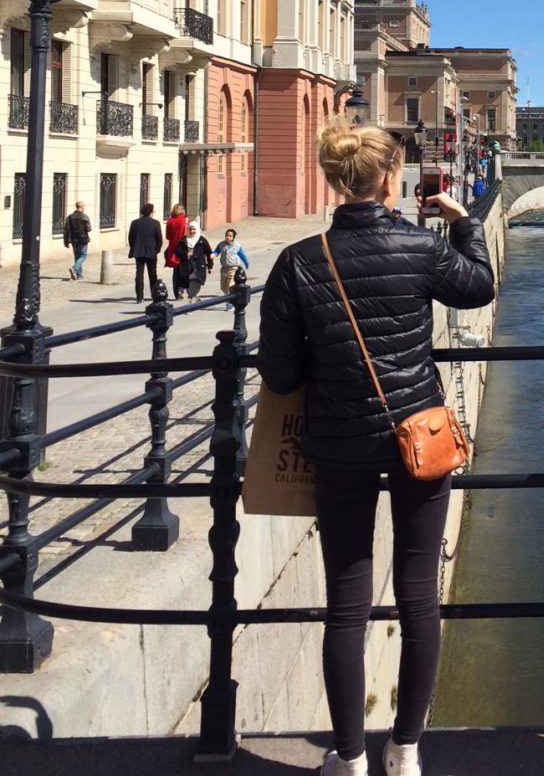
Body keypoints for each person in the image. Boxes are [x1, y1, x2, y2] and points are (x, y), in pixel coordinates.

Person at [258, 121, 494, 776]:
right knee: (419, 590)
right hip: (420, 438)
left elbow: (278, 375)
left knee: (347, 598)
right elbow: (479, 286)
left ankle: (350, 757)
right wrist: (464, 221)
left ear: (336, 180)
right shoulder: (418, 246)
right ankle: (408, 750)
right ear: (391, 180)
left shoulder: (299, 262)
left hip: (339, 444)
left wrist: (327, 364)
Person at [127, 204, 163, 303]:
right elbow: (159, 238)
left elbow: (130, 238)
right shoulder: (155, 223)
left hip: (138, 252)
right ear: (151, 212)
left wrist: (134, 247)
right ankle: (154, 295)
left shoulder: (135, 223)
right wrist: (157, 249)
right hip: (151, 251)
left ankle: (139, 297)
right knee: (152, 274)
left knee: (139, 274)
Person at [173, 222, 213, 303]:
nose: (192, 231)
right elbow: (177, 251)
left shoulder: (202, 240)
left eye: (194, 229)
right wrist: (185, 254)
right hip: (186, 267)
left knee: (196, 285)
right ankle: (190, 302)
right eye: (190, 229)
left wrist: (210, 266)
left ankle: (192, 298)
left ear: (197, 229)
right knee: (188, 284)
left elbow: (209, 253)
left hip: (198, 267)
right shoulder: (184, 239)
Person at [213, 228, 251, 309]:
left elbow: (242, 255)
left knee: (230, 285)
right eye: (226, 235)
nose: (228, 237)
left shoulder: (237, 246)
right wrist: (213, 255)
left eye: (230, 236)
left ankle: (230, 304)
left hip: (233, 268)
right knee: (223, 288)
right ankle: (229, 299)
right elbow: (216, 251)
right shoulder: (221, 244)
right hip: (224, 268)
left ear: (233, 237)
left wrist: (246, 262)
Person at [164, 204, 189, 300]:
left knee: (176, 272)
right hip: (185, 248)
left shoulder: (170, 222)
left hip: (174, 248)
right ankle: (183, 289)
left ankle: (177, 293)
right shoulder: (186, 221)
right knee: (185, 269)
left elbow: (168, 237)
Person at [63, 200, 91, 281]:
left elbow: (66, 230)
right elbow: (89, 229)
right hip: (83, 239)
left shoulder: (70, 217)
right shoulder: (85, 216)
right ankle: (74, 268)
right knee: (83, 256)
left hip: (73, 239)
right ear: (82, 207)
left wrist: (66, 241)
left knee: (77, 256)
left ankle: (79, 275)